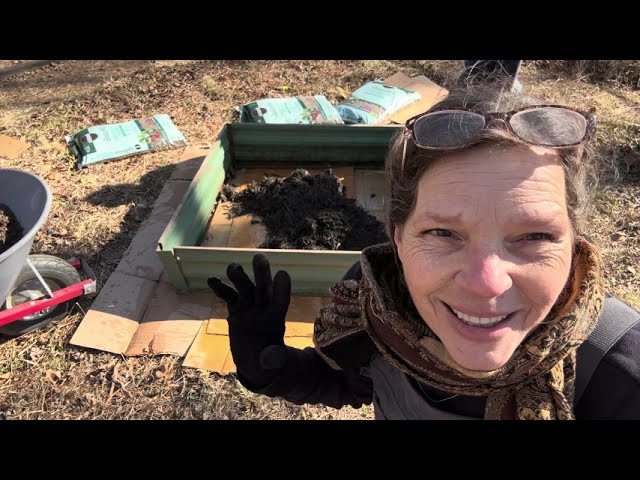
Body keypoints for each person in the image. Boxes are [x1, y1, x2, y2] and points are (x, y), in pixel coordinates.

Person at [207, 81, 640, 420]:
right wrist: (271, 369)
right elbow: (358, 384)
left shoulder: (620, 375)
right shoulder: (375, 303)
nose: (486, 283)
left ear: (574, 242)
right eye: (442, 233)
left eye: (534, 236)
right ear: (398, 238)